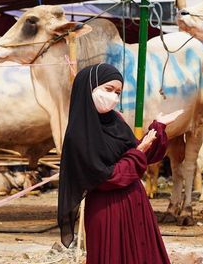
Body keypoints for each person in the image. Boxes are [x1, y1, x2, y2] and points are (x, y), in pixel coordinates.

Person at [57, 63, 182, 264]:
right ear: (90, 88)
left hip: (135, 204)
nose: (114, 97)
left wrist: (157, 129)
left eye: (118, 92)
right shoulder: (78, 135)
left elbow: (140, 155)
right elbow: (107, 177)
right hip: (108, 211)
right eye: (108, 90)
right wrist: (138, 152)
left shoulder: (115, 121)